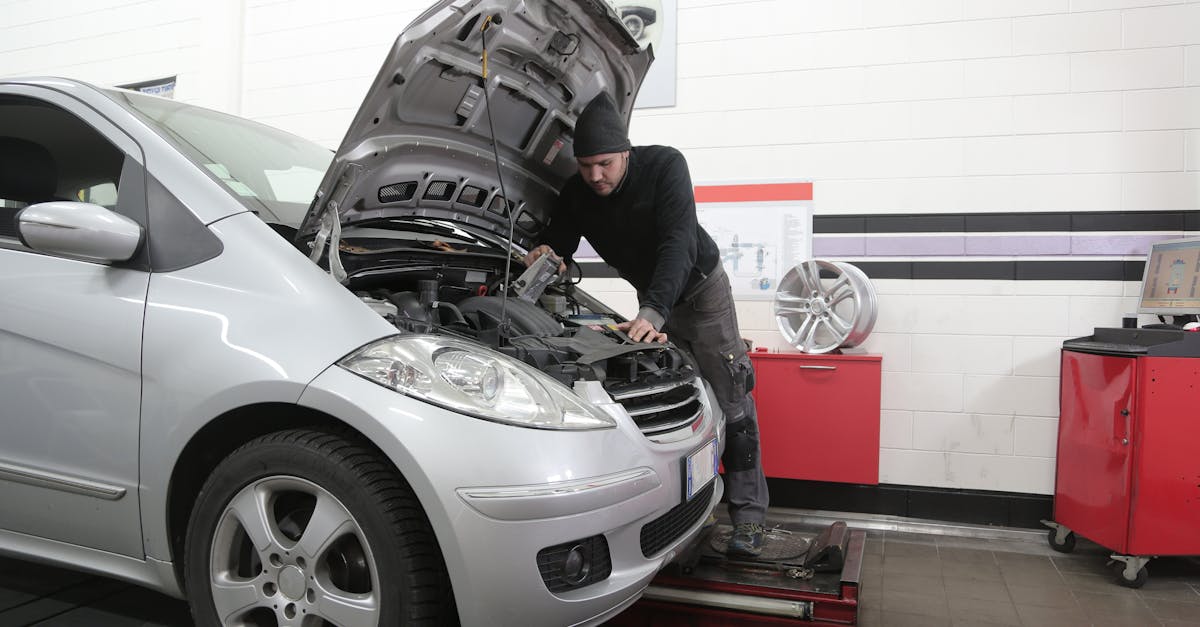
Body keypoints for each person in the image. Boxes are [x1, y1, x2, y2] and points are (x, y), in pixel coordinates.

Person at [524, 93, 770, 557]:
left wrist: (653, 311)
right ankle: (688, 511)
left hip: (699, 292)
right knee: (676, 398)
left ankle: (750, 519)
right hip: (652, 301)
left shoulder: (664, 168)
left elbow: (679, 244)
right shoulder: (578, 192)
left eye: (605, 164)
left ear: (627, 153)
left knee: (732, 399)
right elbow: (559, 244)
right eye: (585, 166)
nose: (595, 176)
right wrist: (546, 254)